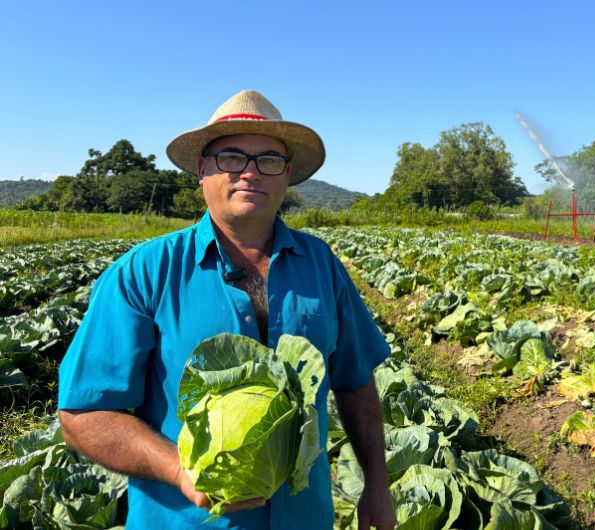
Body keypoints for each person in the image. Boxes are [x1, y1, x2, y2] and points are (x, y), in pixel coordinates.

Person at [58, 90, 396, 530]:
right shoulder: (144, 271)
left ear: (287, 174)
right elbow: (83, 414)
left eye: (269, 160)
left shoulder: (322, 265)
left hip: (304, 518)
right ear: (203, 169)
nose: (250, 172)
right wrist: (178, 469)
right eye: (231, 157)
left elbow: (355, 382)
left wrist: (377, 484)